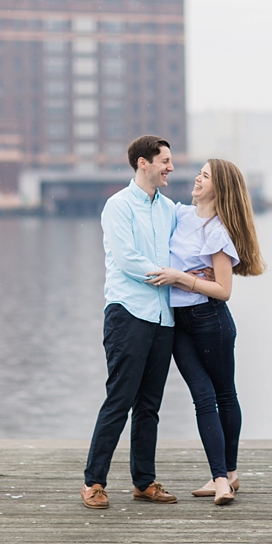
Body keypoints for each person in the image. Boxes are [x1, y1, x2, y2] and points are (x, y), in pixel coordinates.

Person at [147, 158, 266, 506]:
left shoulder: (217, 231)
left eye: (206, 176)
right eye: (199, 173)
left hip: (210, 320)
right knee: (202, 396)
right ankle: (222, 478)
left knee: (224, 395)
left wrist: (181, 278)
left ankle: (226, 476)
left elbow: (224, 290)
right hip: (178, 322)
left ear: (220, 187)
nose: (197, 178)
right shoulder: (181, 215)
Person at [82, 135, 180, 509]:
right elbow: (126, 259)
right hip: (128, 313)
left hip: (163, 318)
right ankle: (93, 482)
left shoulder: (169, 208)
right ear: (144, 162)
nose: (170, 167)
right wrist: (172, 275)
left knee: (150, 405)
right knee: (119, 400)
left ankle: (144, 481)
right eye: (164, 160)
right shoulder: (118, 206)